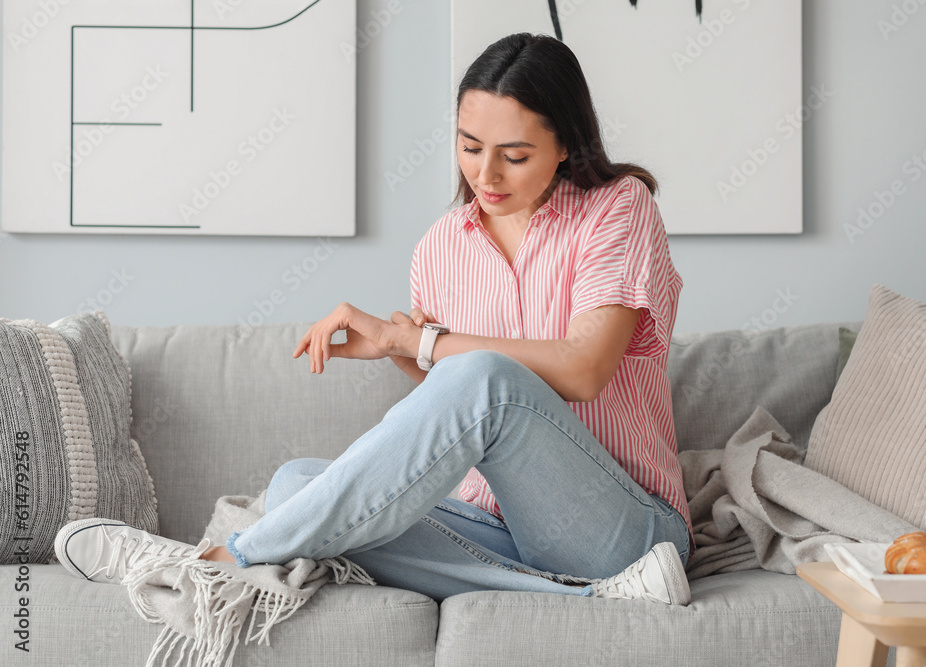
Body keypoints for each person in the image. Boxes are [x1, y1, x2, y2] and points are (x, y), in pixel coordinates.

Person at [55, 32, 694, 605]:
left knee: (483, 379)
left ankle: (223, 558)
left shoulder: (618, 208)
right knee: (295, 486)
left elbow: (582, 370)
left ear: (565, 145)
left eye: (515, 155)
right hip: (493, 526)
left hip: (623, 524)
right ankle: (585, 596)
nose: (485, 174)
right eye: (470, 147)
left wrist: (417, 339)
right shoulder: (442, 247)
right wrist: (404, 353)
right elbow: (456, 413)